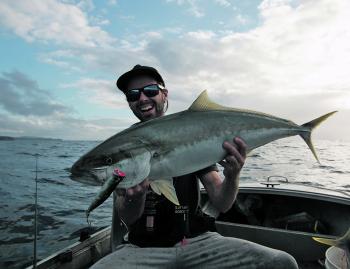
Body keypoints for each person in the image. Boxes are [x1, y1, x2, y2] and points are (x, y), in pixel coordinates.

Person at [91, 65, 298, 269]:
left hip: (197, 241)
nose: (143, 98)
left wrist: (233, 175)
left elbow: (222, 203)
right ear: (129, 103)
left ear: (164, 94)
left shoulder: (193, 131)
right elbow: (127, 217)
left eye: (151, 91)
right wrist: (134, 198)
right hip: (143, 248)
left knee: (282, 263)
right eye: (133, 95)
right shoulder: (122, 147)